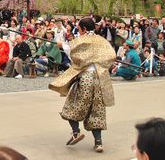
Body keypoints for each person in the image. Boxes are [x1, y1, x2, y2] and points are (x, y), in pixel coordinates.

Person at [49, 17, 116, 153]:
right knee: (97, 110)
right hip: (100, 79)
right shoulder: (102, 41)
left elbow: (74, 53)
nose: (78, 32)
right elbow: (111, 56)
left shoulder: (81, 40)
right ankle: (98, 143)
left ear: (84, 29)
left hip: (86, 78)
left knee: (72, 106)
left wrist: (63, 46)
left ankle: (76, 132)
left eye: (79, 29)